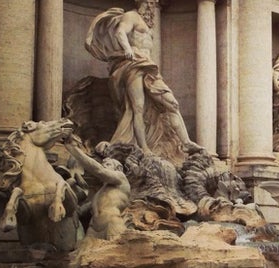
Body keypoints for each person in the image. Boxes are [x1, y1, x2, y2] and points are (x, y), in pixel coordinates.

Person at [85, 0, 203, 157]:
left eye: (153, 3)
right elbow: (120, 32)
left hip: (149, 67)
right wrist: (127, 49)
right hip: (133, 65)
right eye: (148, 3)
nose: (150, 7)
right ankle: (143, 147)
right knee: (137, 108)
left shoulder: (149, 25)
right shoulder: (131, 16)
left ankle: (186, 142)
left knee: (172, 103)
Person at [64, 135, 130, 240]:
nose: (104, 166)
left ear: (118, 168)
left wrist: (74, 150)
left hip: (111, 224)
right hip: (93, 229)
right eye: (103, 165)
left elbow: (99, 171)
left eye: (108, 164)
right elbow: (83, 210)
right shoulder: (101, 192)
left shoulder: (121, 179)